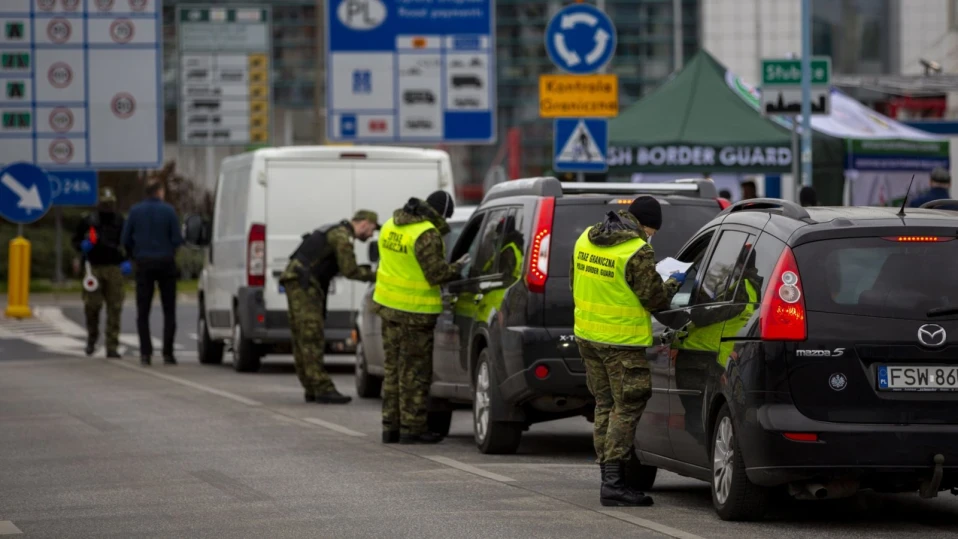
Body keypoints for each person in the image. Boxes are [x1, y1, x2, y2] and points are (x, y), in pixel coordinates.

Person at [570, 196, 685, 507]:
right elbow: (655, 300)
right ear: (646, 225)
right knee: (628, 406)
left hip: (588, 337)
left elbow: (574, 282)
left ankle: (608, 479)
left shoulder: (586, 238)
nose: (652, 237)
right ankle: (614, 482)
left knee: (605, 405)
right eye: (653, 231)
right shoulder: (637, 250)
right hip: (622, 343)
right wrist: (673, 283)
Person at [373, 192, 470, 445]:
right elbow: (435, 274)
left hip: (388, 308)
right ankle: (412, 428)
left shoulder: (390, 225)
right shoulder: (426, 233)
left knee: (393, 370)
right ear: (441, 212)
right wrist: (459, 267)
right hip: (415, 314)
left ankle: (390, 427)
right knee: (415, 373)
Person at [279, 210, 379, 404]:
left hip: (298, 281)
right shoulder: (342, 236)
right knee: (311, 335)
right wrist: (379, 275)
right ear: (365, 223)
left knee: (302, 335)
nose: (371, 235)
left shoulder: (334, 230)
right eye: (372, 229)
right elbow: (350, 270)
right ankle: (322, 388)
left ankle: (312, 386)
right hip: (304, 284)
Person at [121, 179, 183, 366]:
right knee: (169, 310)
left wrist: (134, 256)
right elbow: (177, 239)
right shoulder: (169, 211)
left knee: (143, 311)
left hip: (143, 264)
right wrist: (170, 252)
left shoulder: (135, 211)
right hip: (165, 263)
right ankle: (168, 353)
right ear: (159, 192)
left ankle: (145, 354)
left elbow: (126, 239)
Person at [72, 187, 131, 358]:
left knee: (115, 307)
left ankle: (112, 345)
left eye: (110, 203)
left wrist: (127, 259)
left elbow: (128, 243)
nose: (107, 207)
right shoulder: (88, 220)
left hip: (114, 267)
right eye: (105, 204)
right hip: (93, 267)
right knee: (92, 306)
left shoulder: (120, 221)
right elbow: (75, 240)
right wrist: (83, 246)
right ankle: (92, 338)